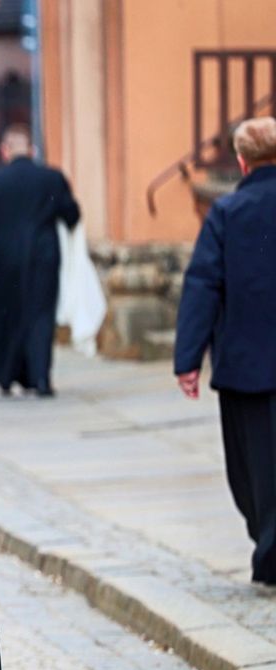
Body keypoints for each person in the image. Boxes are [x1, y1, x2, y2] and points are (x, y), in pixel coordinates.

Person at [175, 116, 276, 587]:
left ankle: (269, 546)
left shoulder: (227, 212)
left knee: (255, 466)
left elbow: (202, 286)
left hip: (246, 363)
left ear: (241, 160)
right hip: (249, 362)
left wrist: (188, 360)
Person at [0, 123, 80, 396]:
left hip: (3, 258)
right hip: (43, 256)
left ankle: (6, 375)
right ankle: (40, 377)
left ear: (5, 151)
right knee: (40, 315)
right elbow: (72, 215)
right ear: (32, 150)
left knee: (4, 316)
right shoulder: (52, 178)